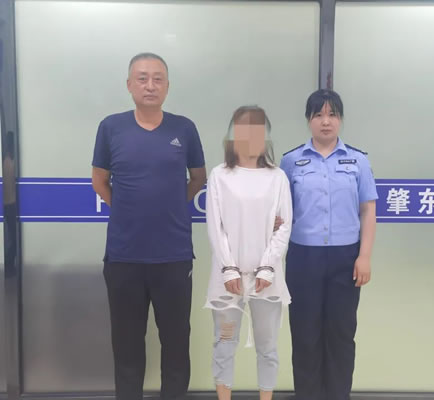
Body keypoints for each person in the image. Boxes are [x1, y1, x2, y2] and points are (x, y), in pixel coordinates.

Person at [91, 52, 206, 400]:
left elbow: (197, 178)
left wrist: (170, 206)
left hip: (173, 256)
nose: (150, 85)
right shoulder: (111, 127)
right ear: (129, 85)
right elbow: (99, 181)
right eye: (142, 78)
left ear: (167, 86)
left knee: (176, 344)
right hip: (124, 256)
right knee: (127, 346)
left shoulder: (184, 128)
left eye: (158, 79)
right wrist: (129, 208)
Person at [280, 89, 377, 400]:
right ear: (308, 120)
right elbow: (281, 213)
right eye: (318, 115)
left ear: (341, 119)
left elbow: (368, 210)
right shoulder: (291, 161)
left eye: (332, 114)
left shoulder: (358, 161)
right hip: (303, 258)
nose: (326, 121)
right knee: (304, 334)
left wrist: (364, 256)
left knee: (341, 334)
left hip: (345, 258)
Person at [205, 105, 292, 400]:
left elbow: (284, 225)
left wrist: (268, 267)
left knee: (268, 348)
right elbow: (216, 226)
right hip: (227, 281)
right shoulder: (220, 175)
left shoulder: (277, 177)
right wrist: (228, 268)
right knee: (224, 343)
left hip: (267, 281)